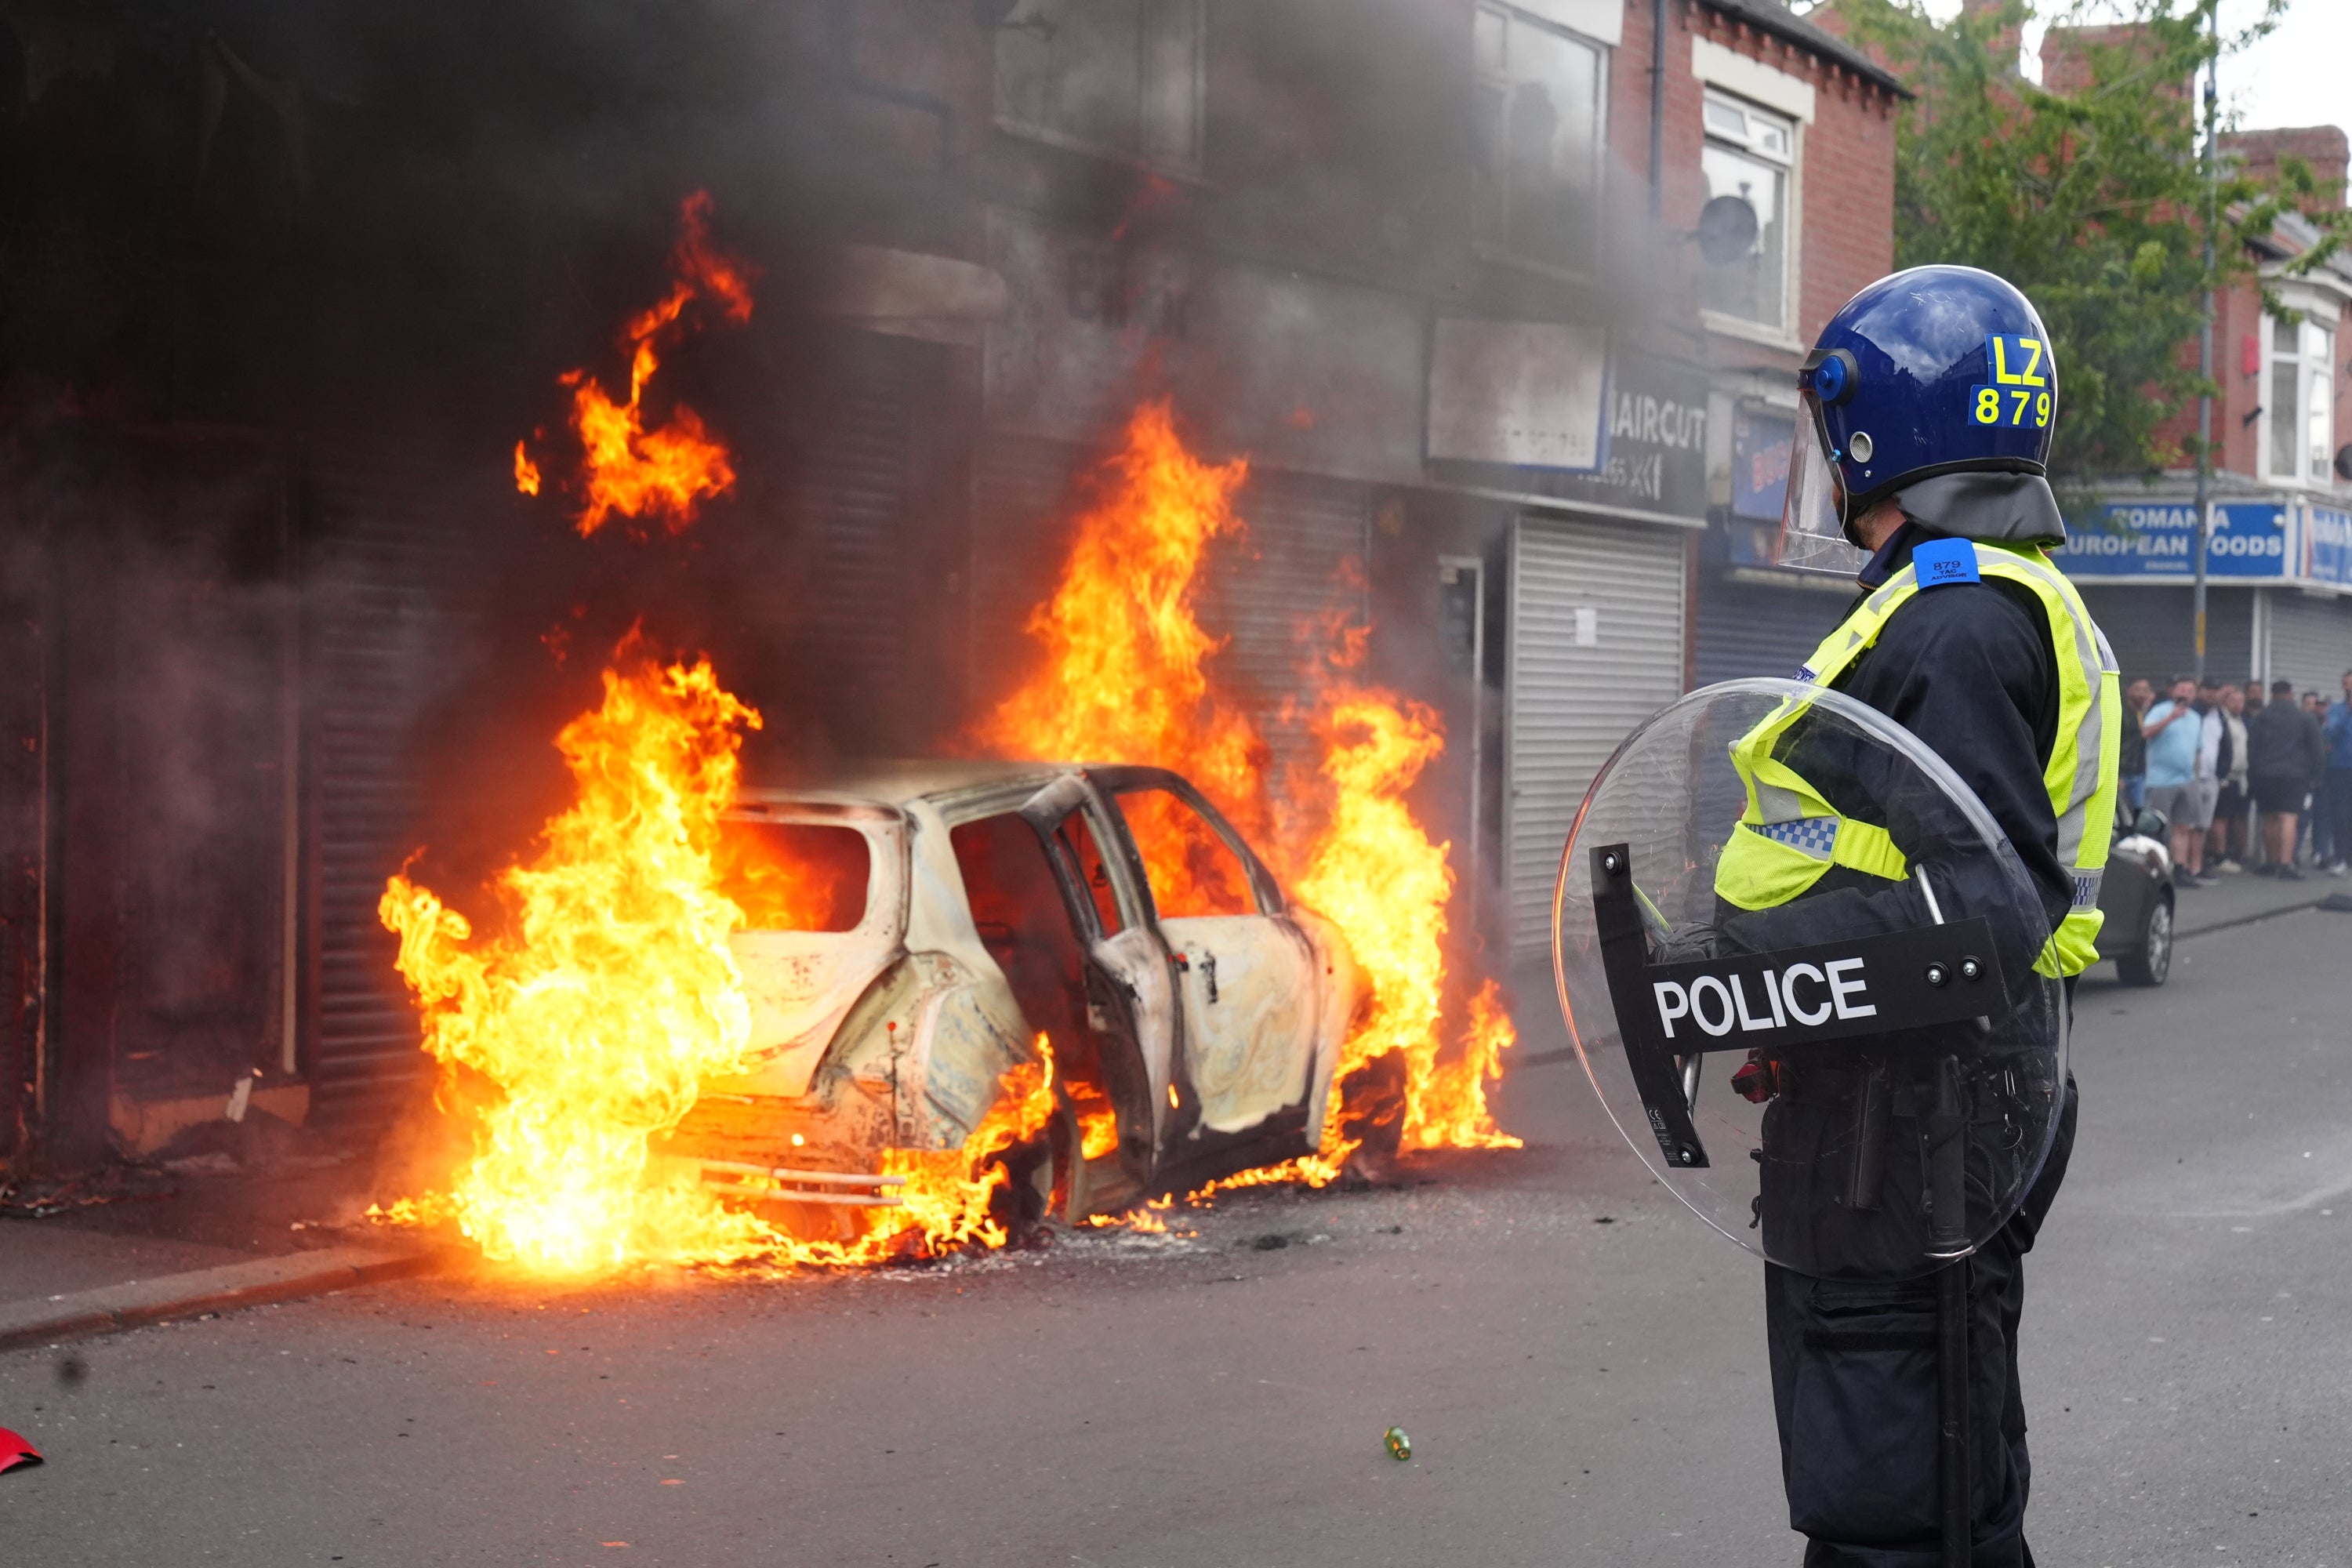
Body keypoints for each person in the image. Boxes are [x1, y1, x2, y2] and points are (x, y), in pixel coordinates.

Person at [1726, 265, 2116, 1568]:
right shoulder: (1966, 599)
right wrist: (1788, 1007)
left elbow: (1975, 919)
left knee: (1898, 1502)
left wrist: (1742, 970)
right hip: (1906, 1111)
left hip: (1912, 1132)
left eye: (1832, 437)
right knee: (1919, 1478)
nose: (1824, 466)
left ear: (1885, 429)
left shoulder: (1951, 621)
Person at [2247, 677, 2321, 878]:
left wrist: (2253, 774)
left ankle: (2271, 861)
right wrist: (2315, 776)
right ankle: (2286, 864)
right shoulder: (2305, 718)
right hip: (2294, 775)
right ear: (2291, 694)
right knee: (2289, 818)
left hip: (2265, 774)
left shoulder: (2262, 717)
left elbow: (2252, 748)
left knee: (2269, 817)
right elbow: (2316, 749)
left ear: (2272, 695)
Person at [2143, 676, 2209, 883]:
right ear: (2174, 692)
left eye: (2190, 691)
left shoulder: (2196, 718)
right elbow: (2146, 733)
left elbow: (2197, 750)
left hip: (2187, 780)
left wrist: (2196, 778)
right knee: (2158, 827)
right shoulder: (2160, 710)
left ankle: (2180, 869)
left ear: (2194, 695)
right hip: (2161, 780)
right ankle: (2155, 870)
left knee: (2183, 827)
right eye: (2182, 690)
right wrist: (2171, 718)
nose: (2185, 694)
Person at [2209, 682, 2249, 872]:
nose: (2238, 705)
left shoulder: (2241, 721)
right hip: (2225, 777)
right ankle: (2219, 857)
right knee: (2220, 818)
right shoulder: (2221, 719)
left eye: (2241, 701)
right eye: (2233, 701)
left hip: (2239, 778)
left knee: (2233, 818)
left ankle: (2231, 853)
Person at [2325, 671, 2352, 877]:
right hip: (2341, 769)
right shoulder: (2336, 710)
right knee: (2341, 815)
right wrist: (2348, 714)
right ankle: (2341, 858)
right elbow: (2330, 734)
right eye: (2346, 685)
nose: (2349, 689)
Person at [2118, 677, 2151, 811]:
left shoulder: (2146, 713)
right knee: (2121, 812)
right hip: (2122, 772)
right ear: (2129, 690)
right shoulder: (2122, 712)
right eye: (2137, 689)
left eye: (2145, 690)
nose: (2141, 694)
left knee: (2138, 812)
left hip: (2139, 772)